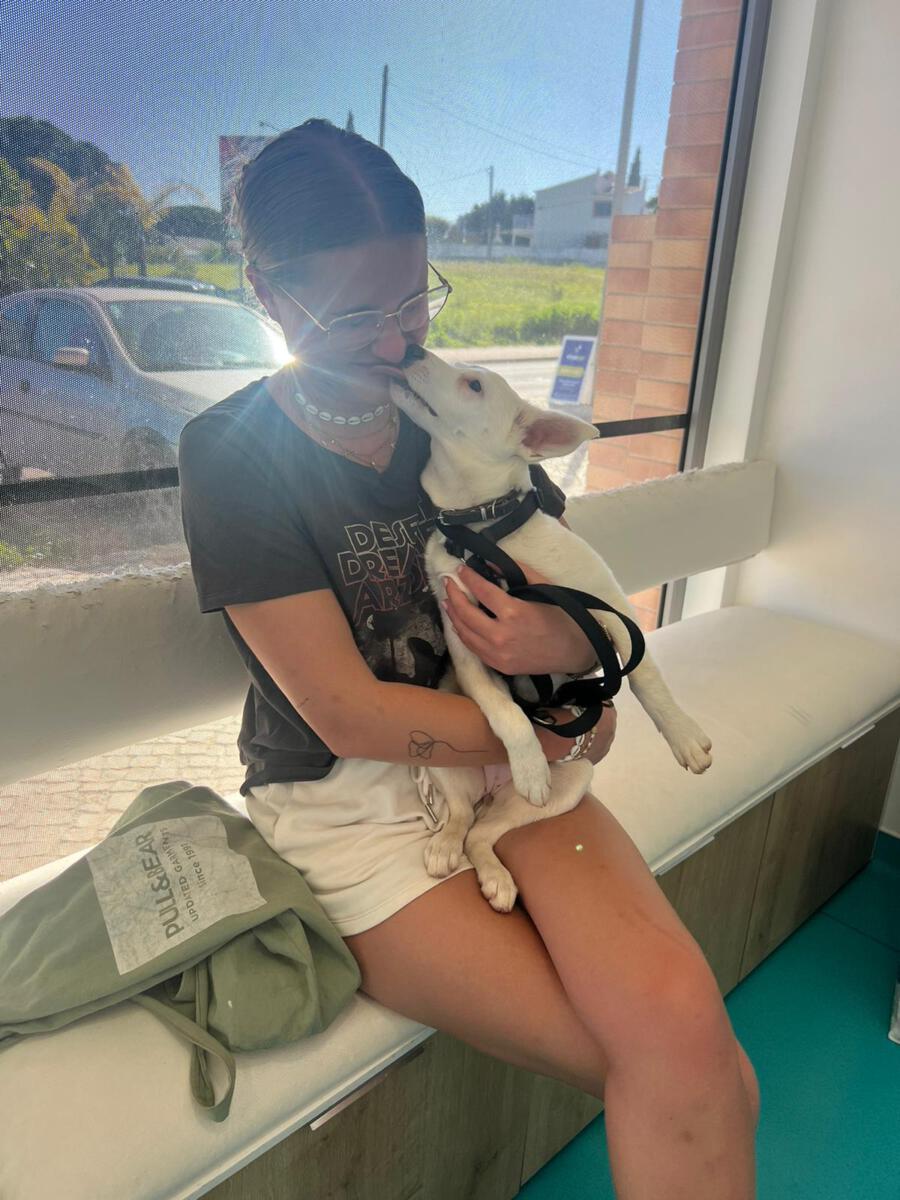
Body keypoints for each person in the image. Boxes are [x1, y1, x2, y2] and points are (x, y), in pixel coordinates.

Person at [178, 118, 759, 1196]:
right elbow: (347, 714)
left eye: (414, 303)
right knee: (696, 1077)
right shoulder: (232, 457)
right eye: (357, 316)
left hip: (503, 770)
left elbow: (570, 594)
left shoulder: (455, 418)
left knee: (690, 1043)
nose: (398, 345)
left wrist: (569, 652)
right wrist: (558, 727)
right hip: (347, 806)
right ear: (267, 294)